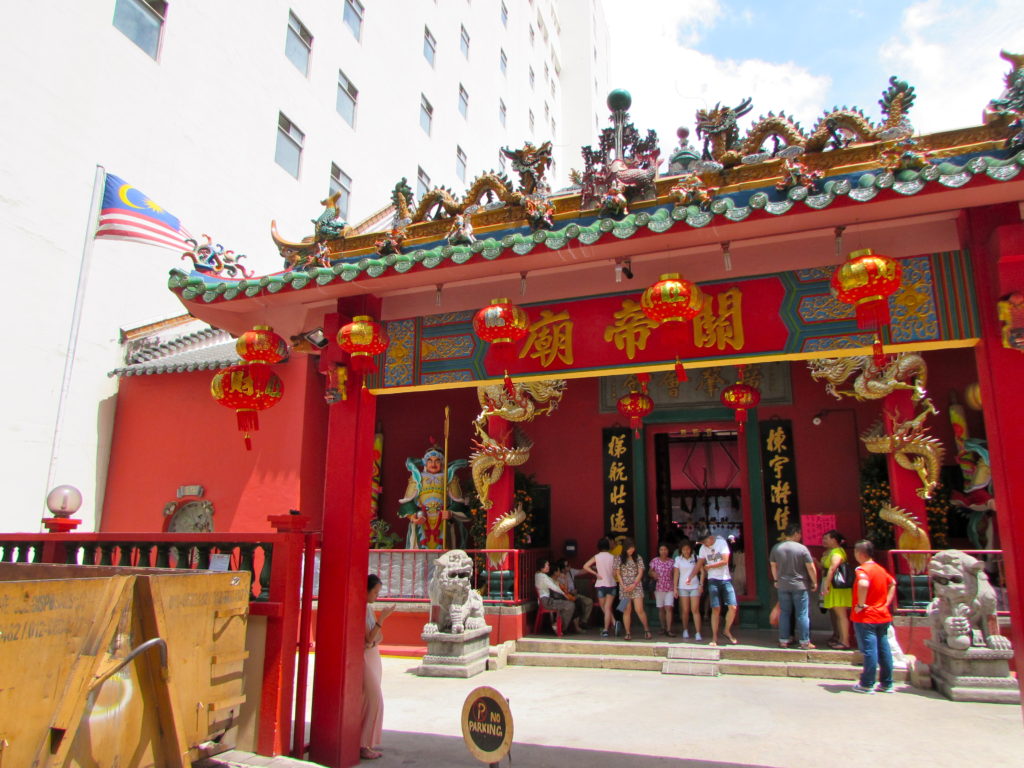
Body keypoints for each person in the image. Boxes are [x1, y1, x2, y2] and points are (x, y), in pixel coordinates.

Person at [850, 539, 897, 694]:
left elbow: (863, 584)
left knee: (870, 650)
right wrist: (886, 602)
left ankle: (867, 683)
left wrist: (861, 604)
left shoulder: (862, 570)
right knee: (884, 649)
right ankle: (887, 682)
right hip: (882, 615)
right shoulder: (880, 569)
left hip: (866, 616)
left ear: (859, 553)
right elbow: (893, 583)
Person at [362, 574, 395, 760]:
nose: (376, 596)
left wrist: (374, 633)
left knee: (368, 700)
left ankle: (365, 743)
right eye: (375, 592)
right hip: (364, 657)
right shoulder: (362, 609)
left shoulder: (368, 609)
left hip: (373, 654)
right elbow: (369, 636)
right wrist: (382, 619)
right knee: (375, 700)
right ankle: (363, 743)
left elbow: (377, 637)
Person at [769, 524, 818, 650]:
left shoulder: (776, 548)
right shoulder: (802, 549)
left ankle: (784, 640)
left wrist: (776, 580)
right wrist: (814, 582)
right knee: (802, 614)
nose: (800, 536)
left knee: (785, 613)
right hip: (800, 585)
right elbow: (811, 567)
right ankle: (804, 641)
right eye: (799, 534)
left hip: (783, 585)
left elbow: (773, 566)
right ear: (795, 533)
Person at [696, 530, 738, 646]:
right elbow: (699, 563)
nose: (704, 544)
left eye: (704, 541)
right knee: (715, 608)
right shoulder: (703, 549)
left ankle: (726, 630)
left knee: (733, 607)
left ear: (710, 538)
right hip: (712, 579)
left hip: (725, 578)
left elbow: (725, 561)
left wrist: (709, 566)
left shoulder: (721, 543)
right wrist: (691, 576)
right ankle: (714, 636)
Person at [614, 538, 652, 640]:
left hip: (636, 586)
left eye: (632, 548)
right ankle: (627, 632)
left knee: (639, 609)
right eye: (629, 549)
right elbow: (617, 573)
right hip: (624, 588)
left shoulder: (638, 558)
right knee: (626, 610)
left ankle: (646, 629)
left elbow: (640, 572)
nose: (631, 550)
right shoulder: (619, 558)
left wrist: (634, 584)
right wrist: (623, 585)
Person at [820, 530, 853, 649]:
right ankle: (840, 638)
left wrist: (826, 585)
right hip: (834, 587)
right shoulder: (830, 552)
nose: (824, 541)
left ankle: (845, 641)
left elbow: (832, 568)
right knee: (838, 615)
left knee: (841, 615)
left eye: (826, 538)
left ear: (834, 540)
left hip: (837, 587)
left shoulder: (837, 552)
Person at [582, 537, 617, 638]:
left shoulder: (597, 557)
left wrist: (595, 573)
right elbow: (615, 571)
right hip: (611, 584)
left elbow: (585, 566)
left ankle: (608, 628)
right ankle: (613, 624)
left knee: (604, 607)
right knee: (608, 607)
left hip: (601, 584)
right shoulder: (613, 557)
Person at [534, 558, 576, 633]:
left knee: (565, 604)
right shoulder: (542, 577)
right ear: (541, 567)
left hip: (545, 600)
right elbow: (553, 586)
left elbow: (553, 582)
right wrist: (564, 594)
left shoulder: (539, 575)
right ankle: (559, 627)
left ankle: (558, 625)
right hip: (546, 601)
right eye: (547, 565)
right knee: (570, 605)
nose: (548, 567)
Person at [554, 557, 594, 633]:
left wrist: (590, 567)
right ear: (562, 569)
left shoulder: (571, 571)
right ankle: (573, 627)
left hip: (574, 595)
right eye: (567, 565)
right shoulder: (558, 577)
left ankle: (583, 622)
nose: (569, 566)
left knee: (589, 601)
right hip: (565, 597)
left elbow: (582, 571)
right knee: (576, 604)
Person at [673, 540, 702, 641]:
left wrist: (701, 584)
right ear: (681, 550)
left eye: (688, 549)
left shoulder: (696, 558)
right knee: (685, 610)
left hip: (694, 586)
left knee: (695, 610)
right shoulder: (678, 559)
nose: (686, 551)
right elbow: (676, 574)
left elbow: (702, 572)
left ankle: (698, 632)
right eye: (684, 549)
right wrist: (675, 588)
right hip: (682, 587)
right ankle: (685, 629)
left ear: (691, 549)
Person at [649, 543, 677, 636]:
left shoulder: (672, 562)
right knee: (661, 609)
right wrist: (653, 574)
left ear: (668, 551)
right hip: (659, 587)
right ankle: (663, 627)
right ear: (659, 551)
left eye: (665, 549)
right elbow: (649, 571)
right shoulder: (655, 561)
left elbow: (674, 574)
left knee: (668, 608)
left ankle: (669, 629)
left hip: (669, 587)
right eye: (661, 549)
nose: (663, 551)